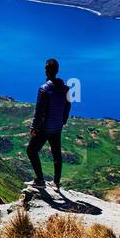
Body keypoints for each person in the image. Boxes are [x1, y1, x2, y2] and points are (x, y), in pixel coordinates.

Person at [27, 58, 71, 190]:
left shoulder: (44, 89)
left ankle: (40, 179)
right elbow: (67, 107)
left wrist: (34, 127)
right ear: (57, 71)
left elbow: (39, 111)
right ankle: (56, 182)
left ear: (46, 71)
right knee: (56, 153)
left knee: (31, 150)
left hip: (45, 127)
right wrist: (63, 121)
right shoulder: (66, 89)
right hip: (57, 127)